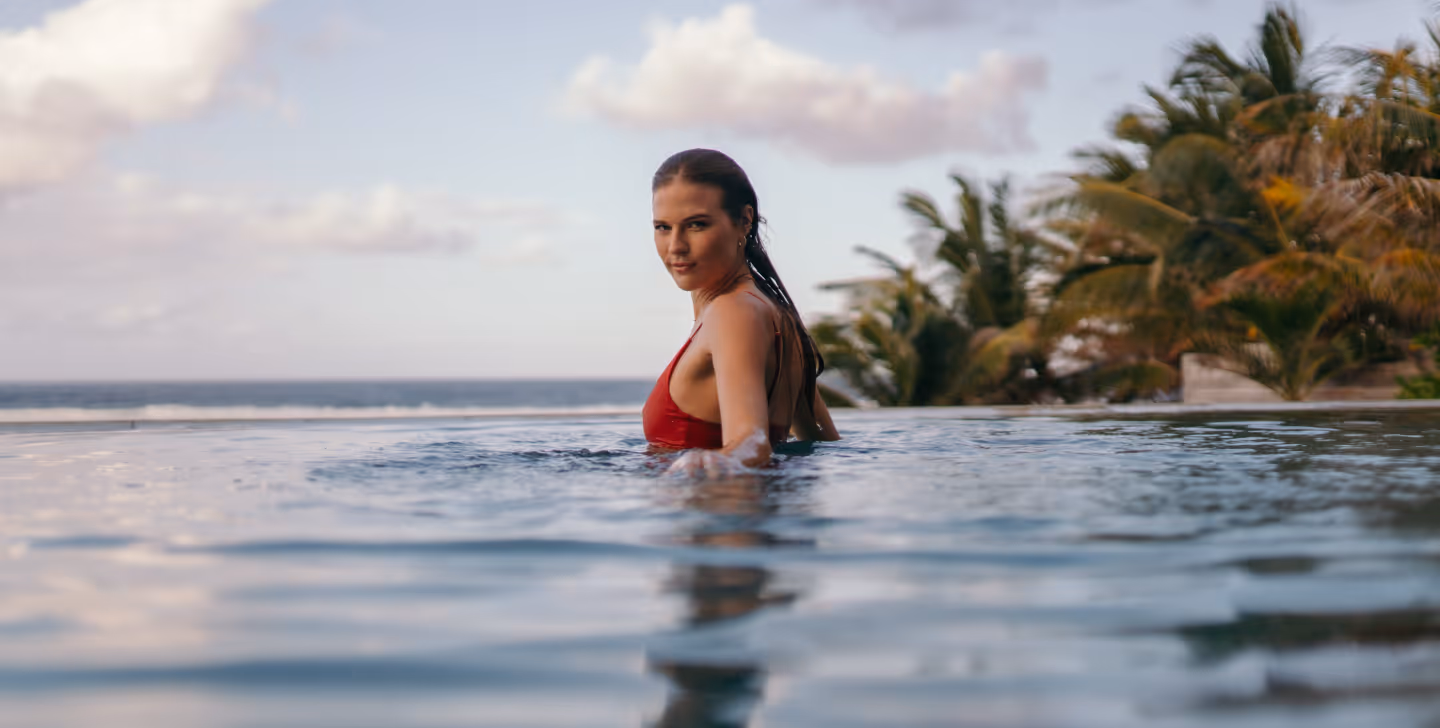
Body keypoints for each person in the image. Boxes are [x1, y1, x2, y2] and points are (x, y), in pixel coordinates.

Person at [643, 149, 840, 474]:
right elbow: (824, 441)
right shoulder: (776, 315)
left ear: (744, 221)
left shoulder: (732, 312)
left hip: (719, 517)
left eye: (696, 225)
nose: (675, 246)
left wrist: (706, 461)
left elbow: (751, 443)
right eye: (663, 227)